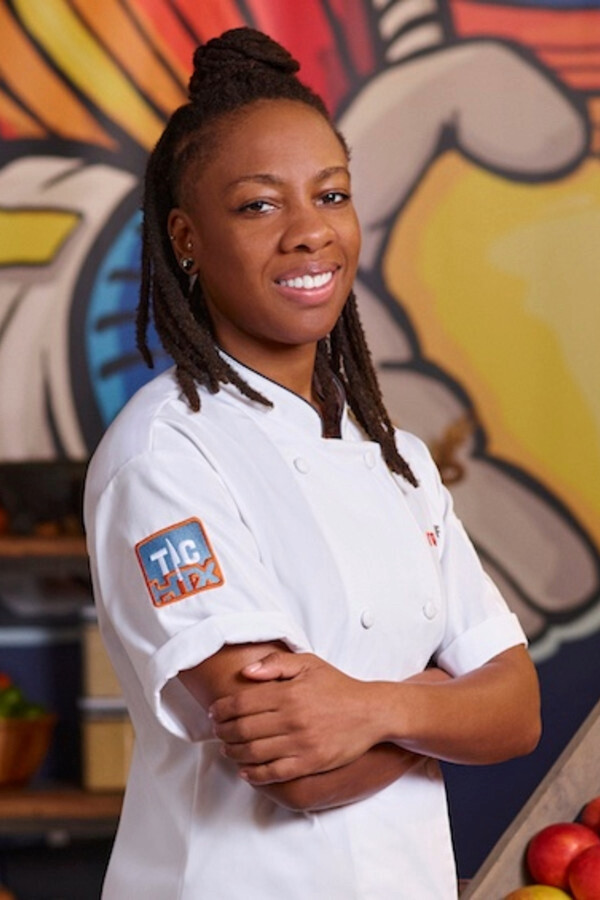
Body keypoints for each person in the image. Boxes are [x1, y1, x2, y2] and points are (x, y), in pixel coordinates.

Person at [84, 26, 541, 900]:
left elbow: (518, 712)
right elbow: (295, 767)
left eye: (331, 195)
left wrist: (372, 708)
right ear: (186, 236)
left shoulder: (397, 458)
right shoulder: (165, 456)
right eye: (259, 206)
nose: (309, 233)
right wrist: (447, 705)